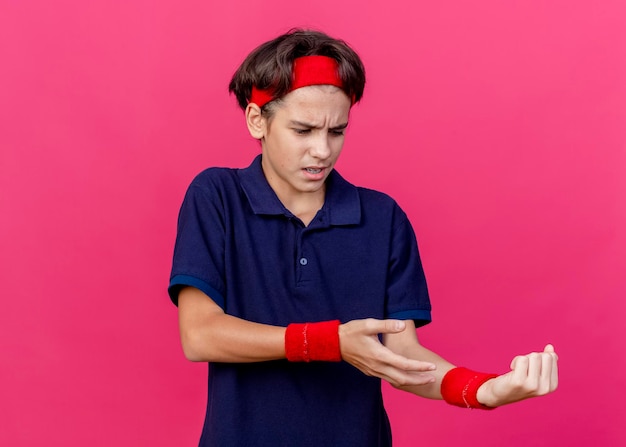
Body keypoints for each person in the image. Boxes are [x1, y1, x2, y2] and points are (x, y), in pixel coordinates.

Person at [168, 29, 558, 447]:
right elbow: (200, 335)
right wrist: (331, 342)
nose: (322, 150)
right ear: (257, 120)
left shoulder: (382, 217)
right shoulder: (216, 197)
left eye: (336, 131)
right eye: (303, 130)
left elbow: (402, 352)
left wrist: (480, 390)